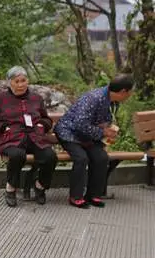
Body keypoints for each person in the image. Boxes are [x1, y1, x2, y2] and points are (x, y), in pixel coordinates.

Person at [53, 73, 134, 208]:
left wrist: (107, 129)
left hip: (88, 136)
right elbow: (80, 124)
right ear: (123, 91)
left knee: (101, 157)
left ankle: (93, 195)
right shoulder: (94, 98)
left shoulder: (112, 100)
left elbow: (99, 120)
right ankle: (75, 197)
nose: (131, 94)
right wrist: (102, 132)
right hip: (69, 133)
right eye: (131, 91)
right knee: (81, 158)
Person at [0, 66, 58, 207]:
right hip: (11, 139)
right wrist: (2, 127)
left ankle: (40, 185)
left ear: (27, 81)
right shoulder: (0, 99)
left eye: (23, 80)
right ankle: (10, 188)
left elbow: (46, 119)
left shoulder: (36, 98)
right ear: (9, 83)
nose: (20, 84)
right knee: (17, 155)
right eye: (16, 81)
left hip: (35, 138)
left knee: (50, 157)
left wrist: (43, 125)